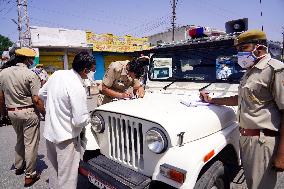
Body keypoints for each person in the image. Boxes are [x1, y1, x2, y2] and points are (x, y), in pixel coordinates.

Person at [200, 30, 284, 189]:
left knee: (261, 186)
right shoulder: (250, 72)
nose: (239, 54)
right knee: (252, 183)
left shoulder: (275, 69)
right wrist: (212, 100)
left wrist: (281, 154)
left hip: (262, 141)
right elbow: (241, 99)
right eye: (238, 50)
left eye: (243, 48)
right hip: (246, 139)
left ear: (259, 48)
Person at [38, 51, 95, 189]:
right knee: (67, 179)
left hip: (50, 134)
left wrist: (56, 104)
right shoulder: (77, 86)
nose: (91, 74)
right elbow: (79, 121)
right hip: (66, 139)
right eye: (91, 71)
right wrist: (90, 118)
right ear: (85, 70)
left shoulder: (58, 74)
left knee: (54, 173)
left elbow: (41, 93)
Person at [0, 47, 45, 187]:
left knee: (20, 138)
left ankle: (19, 166)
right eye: (31, 59)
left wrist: (3, 113)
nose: (32, 61)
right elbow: (37, 99)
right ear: (27, 59)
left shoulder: (3, 73)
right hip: (28, 112)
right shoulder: (30, 74)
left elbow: (1, 97)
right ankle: (30, 175)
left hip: (12, 112)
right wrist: (45, 113)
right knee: (30, 143)